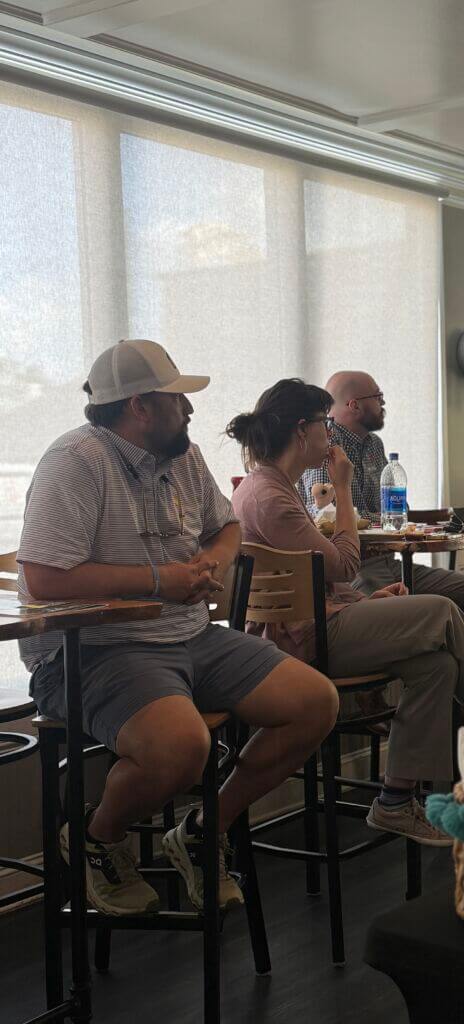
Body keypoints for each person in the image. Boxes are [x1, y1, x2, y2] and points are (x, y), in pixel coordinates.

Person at [18, 340, 339, 917]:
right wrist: (158, 580)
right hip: (97, 649)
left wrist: (209, 564)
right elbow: (43, 578)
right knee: (184, 748)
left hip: (191, 634)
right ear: (140, 406)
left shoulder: (182, 455)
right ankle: (96, 838)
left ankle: (202, 828)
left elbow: (226, 527)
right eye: (177, 399)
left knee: (315, 702)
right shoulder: (76, 460)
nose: (189, 409)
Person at [227, 379, 464, 845]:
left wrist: (366, 603)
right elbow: (345, 564)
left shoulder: (273, 487)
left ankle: (395, 801)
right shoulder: (270, 496)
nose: (330, 435)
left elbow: (323, 580)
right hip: (304, 643)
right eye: (324, 424)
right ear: (301, 430)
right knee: (441, 611)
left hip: (320, 624)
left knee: (437, 665)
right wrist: (342, 489)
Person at [298, 371, 464, 614]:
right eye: (378, 396)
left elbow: (398, 510)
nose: (383, 402)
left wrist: (389, 518)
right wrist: (387, 519)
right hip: (354, 570)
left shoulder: (374, 444)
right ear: (354, 405)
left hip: (391, 560)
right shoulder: (326, 448)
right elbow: (327, 517)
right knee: (405, 613)